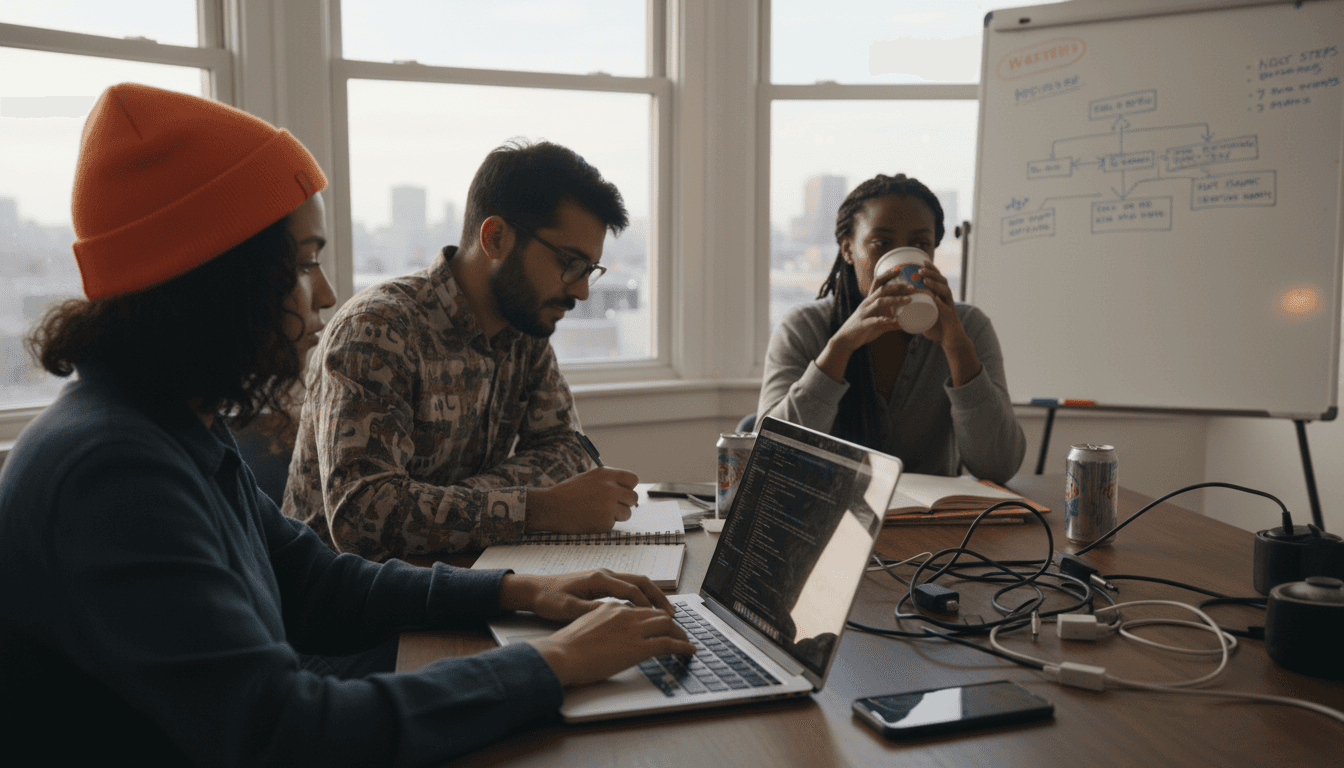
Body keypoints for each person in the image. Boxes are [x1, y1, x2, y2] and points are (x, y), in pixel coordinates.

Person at [0, 83, 695, 766]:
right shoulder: (112, 473)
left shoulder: (174, 425)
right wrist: (553, 664)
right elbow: (284, 732)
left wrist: (518, 590)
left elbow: (318, 584)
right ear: (220, 281)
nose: (328, 294)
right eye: (305, 263)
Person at [283, 140, 639, 561]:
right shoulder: (377, 329)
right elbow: (363, 519)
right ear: (496, 238)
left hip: (461, 575)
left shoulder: (526, 331)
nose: (580, 290)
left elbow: (568, 454)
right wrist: (540, 507)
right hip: (344, 604)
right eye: (569, 263)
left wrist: (443, 503)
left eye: (589, 271)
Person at [757, 173, 1025, 484]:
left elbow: (999, 466)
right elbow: (768, 459)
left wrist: (957, 349)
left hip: (932, 526)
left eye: (920, 244)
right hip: (822, 523)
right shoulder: (802, 329)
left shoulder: (967, 329)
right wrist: (840, 348)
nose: (898, 260)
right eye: (882, 243)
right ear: (847, 249)